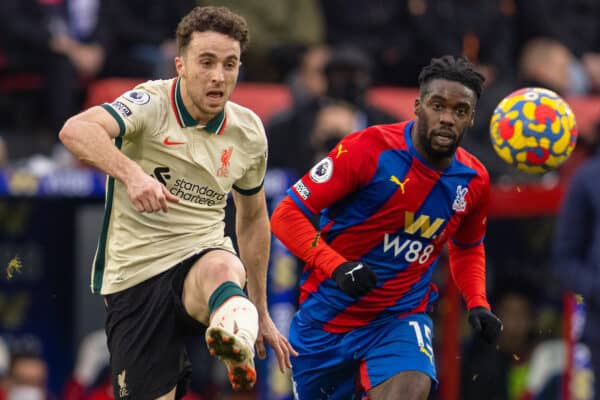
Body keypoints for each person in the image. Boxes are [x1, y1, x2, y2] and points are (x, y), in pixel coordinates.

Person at [58, 6, 295, 399]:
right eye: (206, 62)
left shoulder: (249, 132)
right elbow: (75, 130)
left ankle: (236, 326)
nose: (219, 76)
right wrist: (132, 175)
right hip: (135, 274)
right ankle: (233, 321)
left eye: (230, 64)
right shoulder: (151, 102)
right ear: (180, 65)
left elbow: (252, 221)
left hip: (201, 252)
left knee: (222, 265)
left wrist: (263, 310)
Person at [270, 55, 503, 399]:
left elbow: (467, 247)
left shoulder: (473, 180)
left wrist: (478, 302)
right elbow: (286, 215)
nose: (446, 119)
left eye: (460, 110)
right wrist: (337, 267)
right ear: (418, 106)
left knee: (411, 385)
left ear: (471, 118)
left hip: (399, 318)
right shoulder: (367, 149)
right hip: (327, 321)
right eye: (438, 105)